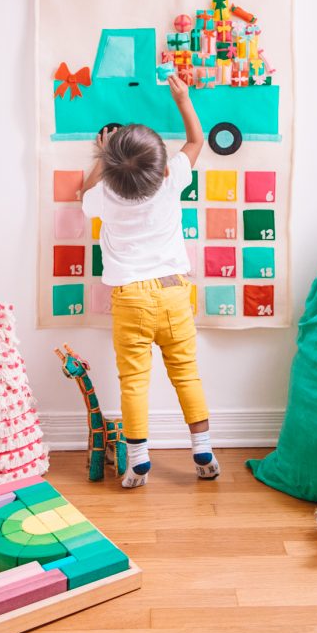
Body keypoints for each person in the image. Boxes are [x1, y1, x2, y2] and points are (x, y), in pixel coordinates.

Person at [81, 74, 219, 488]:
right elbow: (196, 141)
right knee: (187, 374)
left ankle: (138, 459)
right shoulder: (171, 178)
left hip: (130, 300)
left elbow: (82, 195)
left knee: (134, 380)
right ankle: (203, 450)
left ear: (109, 169)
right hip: (174, 291)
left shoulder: (104, 192)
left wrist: (101, 156)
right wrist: (183, 99)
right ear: (160, 167)